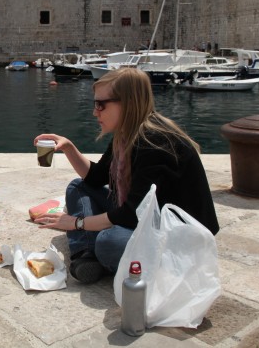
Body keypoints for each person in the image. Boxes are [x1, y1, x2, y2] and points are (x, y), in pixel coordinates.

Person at [33, 68, 219, 284]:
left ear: (128, 102)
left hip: (179, 239)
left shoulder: (155, 142)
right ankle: (86, 255)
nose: (95, 112)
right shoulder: (126, 134)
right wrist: (69, 148)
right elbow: (96, 178)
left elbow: (130, 214)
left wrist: (76, 223)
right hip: (146, 220)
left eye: (101, 104)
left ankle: (88, 251)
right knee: (78, 187)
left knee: (108, 241)